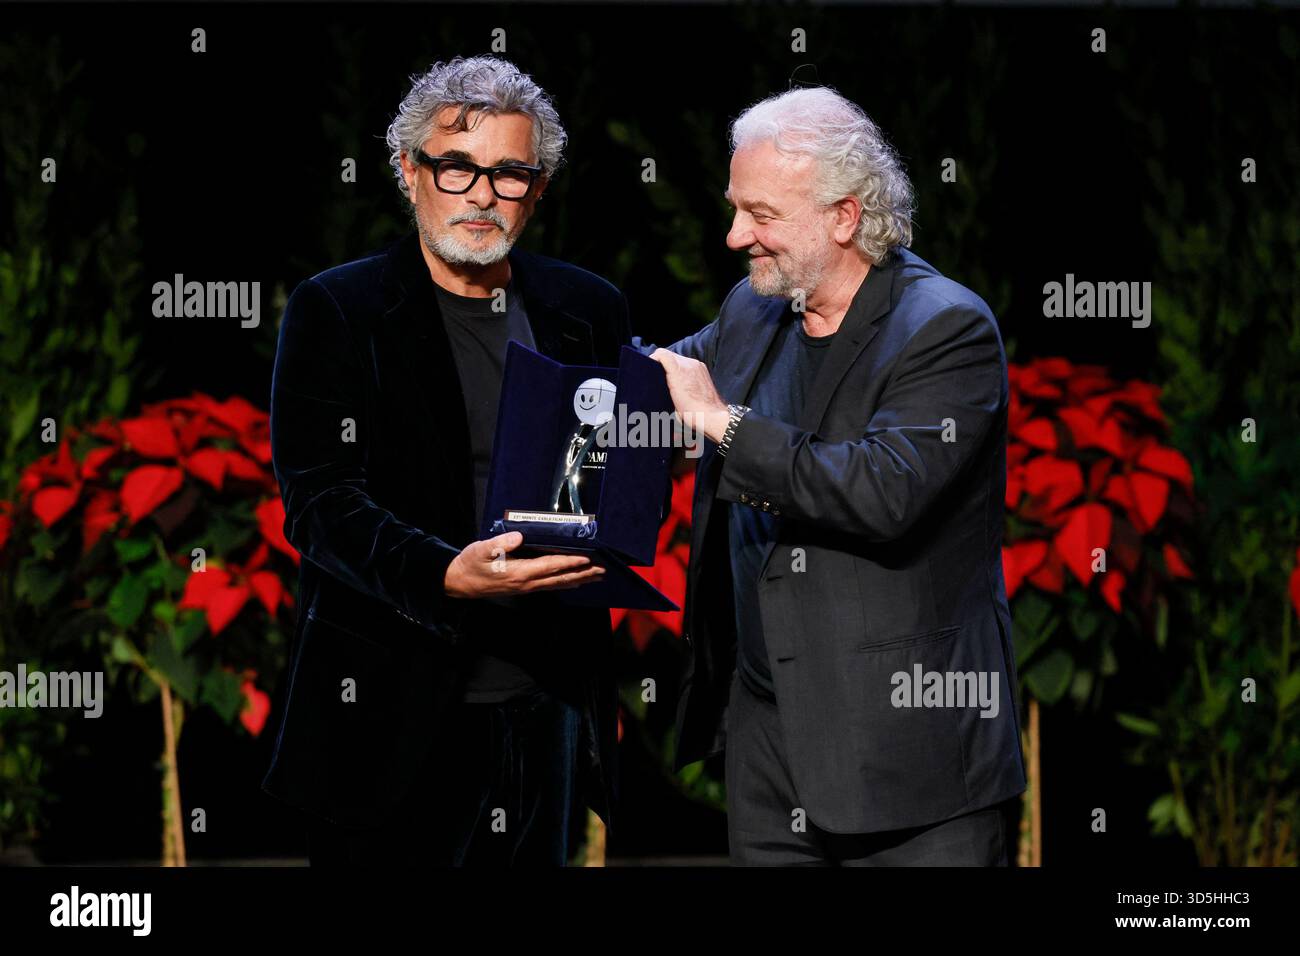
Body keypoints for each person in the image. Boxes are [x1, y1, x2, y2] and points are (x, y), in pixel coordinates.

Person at [262, 56, 629, 866]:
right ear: (409, 170)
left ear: (535, 189)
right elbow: (321, 506)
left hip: (548, 712)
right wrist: (443, 574)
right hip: (390, 720)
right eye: (457, 166)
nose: (481, 194)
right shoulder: (337, 310)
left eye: (508, 173)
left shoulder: (585, 307)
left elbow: (609, 481)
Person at [648, 86, 1027, 865]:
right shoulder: (755, 309)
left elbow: (882, 491)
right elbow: (663, 384)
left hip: (911, 767)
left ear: (845, 217)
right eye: (735, 207)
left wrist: (722, 423)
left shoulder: (947, 330)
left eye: (760, 215)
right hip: (768, 745)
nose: (733, 236)